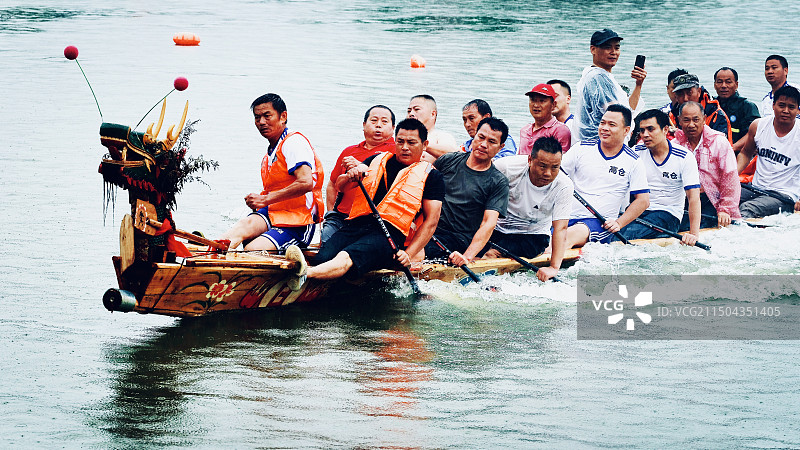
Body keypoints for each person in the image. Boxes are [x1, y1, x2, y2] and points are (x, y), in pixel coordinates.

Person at [287, 118, 445, 290]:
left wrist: (408, 255)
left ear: (424, 144)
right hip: (356, 225)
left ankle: (304, 275)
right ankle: (318, 272)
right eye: (400, 141)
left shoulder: (432, 176)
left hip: (389, 236)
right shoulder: (377, 159)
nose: (405, 147)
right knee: (323, 257)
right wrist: (350, 176)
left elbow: (432, 221)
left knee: (347, 256)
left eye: (411, 142)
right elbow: (340, 186)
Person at [219, 93, 324, 251]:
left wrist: (265, 199)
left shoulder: (294, 142)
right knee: (238, 230)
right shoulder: (270, 153)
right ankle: (208, 253)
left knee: (251, 250)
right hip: (274, 213)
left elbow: (306, 182)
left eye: (267, 116)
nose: (261, 122)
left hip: (299, 222)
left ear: (283, 116)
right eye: (257, 117)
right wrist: (261, 201)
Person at [422, 117, 510, 267]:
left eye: (491, 142)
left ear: (500, 147)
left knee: (419, 252)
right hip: (428, 228)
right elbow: (422, 189)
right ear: (474, 136)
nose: (483, 144)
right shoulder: (447, 160)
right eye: (481, 137)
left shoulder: (498, 182)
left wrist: (467, 256)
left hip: (459, 240)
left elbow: (488, 223)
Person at [484, 136, 573, 281]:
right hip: (497, 228)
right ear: (530, 160)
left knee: (491, 253)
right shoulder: (505, 167)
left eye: (555, 167)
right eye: (543, 166)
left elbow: (560, 228)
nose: (548, 173)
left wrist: (553, 267)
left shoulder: (564, 185)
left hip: (533, 236)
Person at [561, 104, 650, 247]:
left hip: (599, 223)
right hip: (565, 218)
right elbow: (556, 175)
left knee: (567, 236)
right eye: (602, 123)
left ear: (626, 130)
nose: (604, 128)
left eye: (612, 125)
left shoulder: (633, 161)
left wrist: (619, 223)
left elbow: (643, 201)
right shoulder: (581, 148)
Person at [622, 109, 701, 245]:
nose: (645, 135)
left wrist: (693, 235)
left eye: (650, 129)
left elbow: (693, 197)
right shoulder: (636, 151)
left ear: (665, 130)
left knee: (625, 235)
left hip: (667, 214)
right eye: (642, 131)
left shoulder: (684, 157)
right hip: (638, 210)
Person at [322, 105, 396, 242]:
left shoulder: (396, 152)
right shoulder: (349, 151)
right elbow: (332, 184)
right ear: (364, 125)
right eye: (374, 121)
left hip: (373, 221)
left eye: (384, 122)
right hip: (341, 216)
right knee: (325, 241)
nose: (378, 125)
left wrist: (360, 166)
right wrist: (331, 212)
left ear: (393, 128)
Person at [672, 102, 742, 228]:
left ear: (704, 119)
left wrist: (725, 209)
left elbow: (730, 178)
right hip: (683, 199)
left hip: (712, 200)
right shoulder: (674, 145)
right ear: (679, 121)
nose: (691, 125)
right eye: (686, 120)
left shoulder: (719, 142)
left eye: (696, 119)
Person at [573, 28, 647, 143]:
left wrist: (638, 84)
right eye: (607, 47)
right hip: (599, 146)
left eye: (617, 48)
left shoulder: (601, 76)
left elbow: (628, 111)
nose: (613, 52)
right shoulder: (598, 77)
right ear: (593, 49)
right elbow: (617, 116)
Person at [737, 85, 800, 218]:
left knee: (746, 209)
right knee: (721, 198)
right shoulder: (758, 125)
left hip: (784, 196)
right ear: (773, 105)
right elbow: (745, 153)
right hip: (756, 188)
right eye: (781, 105)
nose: (786, 111)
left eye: (791, 107)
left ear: (798, 110)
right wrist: (731, 177)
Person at [669, 73, 732, 142]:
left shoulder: (716, 115)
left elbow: (722, 147)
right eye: (680, 94)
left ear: (699, 91)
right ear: (676, 96)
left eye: (689, 93)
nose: (685, 98)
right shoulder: (671, 116)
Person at [713, 67, 760, 147]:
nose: (724, 86)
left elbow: (754, 133)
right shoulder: (711, 106)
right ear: (715, 85)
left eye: (728, 82)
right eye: (720, 82)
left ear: (736, 85)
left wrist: (732, 148)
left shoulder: (747, 107)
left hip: (738, 151)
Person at [519, 83, 572, 154]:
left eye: (542, 101)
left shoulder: (560, 130)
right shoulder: (525, 130)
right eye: (533, 100)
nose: (536, 105)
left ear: (553, 105)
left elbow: (561, 160)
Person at [407, 94, 459, 162]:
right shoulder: (401, 137)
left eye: (417, 109)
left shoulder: (441, 136)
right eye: (409, 111)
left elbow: (453, 155)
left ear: (432, 114)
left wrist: (420, 144)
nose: (411, 114)